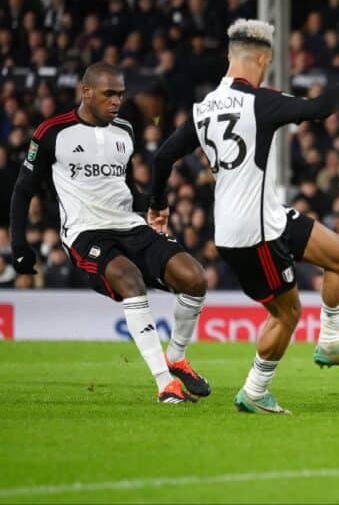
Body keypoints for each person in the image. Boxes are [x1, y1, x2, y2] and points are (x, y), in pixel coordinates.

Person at [148, 19, 339, 414]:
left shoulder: (204, 109)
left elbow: (164, 156)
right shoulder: (260, 101)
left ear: (229, 57)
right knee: (287, 313)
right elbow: (319, 109)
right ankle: (254, 393)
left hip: (265, 216)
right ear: (262, 59)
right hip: (250, 235)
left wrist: (157, 204)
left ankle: (330, 341)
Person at [9, 62, 209, 404]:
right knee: (130, 278)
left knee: (194, 278)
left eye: (120, 94)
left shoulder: (125, 131)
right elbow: (23, 189)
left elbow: (124, 188)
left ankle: (177, 358)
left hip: (129, 225)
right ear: (86, 92)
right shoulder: (52, 131)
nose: (116, 101)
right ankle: (165, 384)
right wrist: (19, 244)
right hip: (86, 233)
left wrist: (153, 202)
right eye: (109, 94)